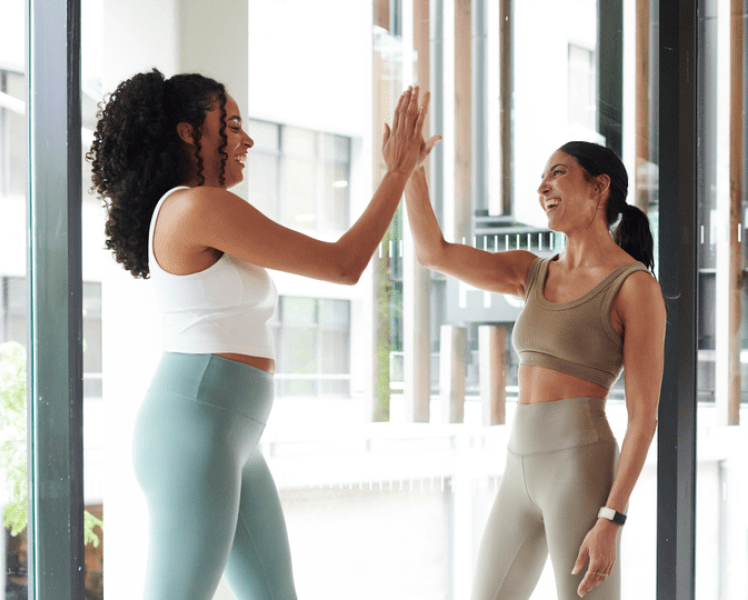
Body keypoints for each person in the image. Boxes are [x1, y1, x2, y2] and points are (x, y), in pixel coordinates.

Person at [86, 69, 439, 600]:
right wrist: (398, 171)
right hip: (195, 430)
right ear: (189, 133)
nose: (246, 138)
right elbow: (343, 265)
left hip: (228, 433)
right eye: (230, 124)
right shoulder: (194, 207)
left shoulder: (197, 208)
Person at [403, 141, 665, 599]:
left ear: (598, 187)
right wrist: (409, 171)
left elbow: (644, 417)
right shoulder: (531, 271)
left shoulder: (635, 286)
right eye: (543, 177)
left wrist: (612, 518)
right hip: (517, 469)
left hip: (579, 470)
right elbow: (434, 253)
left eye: (558, 173)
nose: (542, 186)